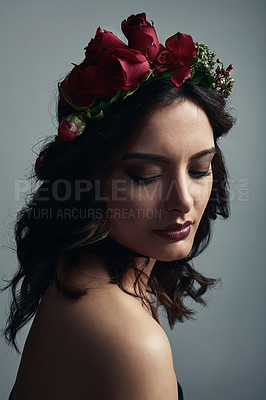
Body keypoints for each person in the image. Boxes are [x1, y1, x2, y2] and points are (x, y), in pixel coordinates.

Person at [4, 12, 235, 400]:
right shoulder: (130, 340)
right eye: (145, 175)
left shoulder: (92, 276)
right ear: (89, 179)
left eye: (199, 168)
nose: (183, 201)